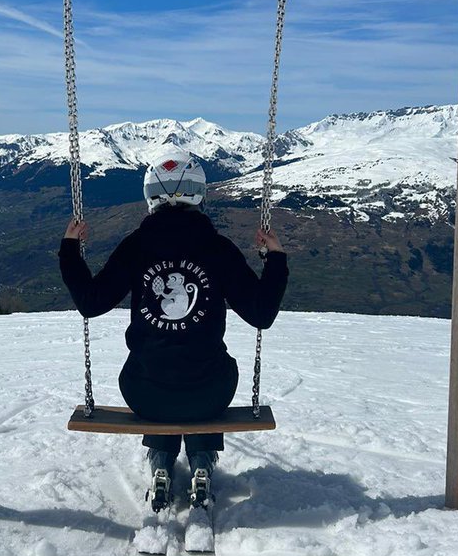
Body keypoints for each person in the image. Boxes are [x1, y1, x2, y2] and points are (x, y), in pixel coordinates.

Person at [59, 149, 288, 512]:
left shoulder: (136, 246)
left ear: (150, 195)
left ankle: (162, 461)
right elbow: (261, 313)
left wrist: (70, 251)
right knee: (210, 366)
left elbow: (91, 302)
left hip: (144, 396)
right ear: (200, 194)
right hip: (210, 394)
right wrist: (275, 259)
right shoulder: (218, 249)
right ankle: (201, 461)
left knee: (155, 365)